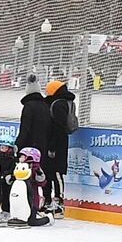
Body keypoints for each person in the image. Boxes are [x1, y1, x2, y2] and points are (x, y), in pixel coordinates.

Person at [42, 77, 78, 216]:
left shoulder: (58, 104)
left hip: (57, 143)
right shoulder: (63, 102)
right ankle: (49, 201)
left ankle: (58, 202)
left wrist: (52, 146)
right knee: (48, 172)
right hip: (57, 142)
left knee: (56, 172)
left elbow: (59, 126)